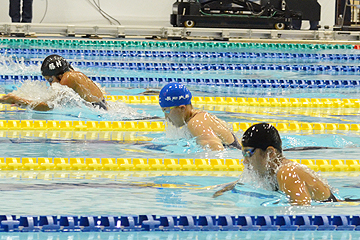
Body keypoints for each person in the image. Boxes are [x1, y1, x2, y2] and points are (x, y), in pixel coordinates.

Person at [0, 54, 107, 111]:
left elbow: (48, 107)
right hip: (99, 110)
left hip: (97, 113)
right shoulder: (74, 75)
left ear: (58, 74)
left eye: (50, 80)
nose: (51, 84)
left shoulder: (68, 78)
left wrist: (16, 100)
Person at [159, 82, 241, 151]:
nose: (166, 117)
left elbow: (217, 152)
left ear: (182, 108)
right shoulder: (200, 117)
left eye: (167, 111)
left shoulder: (196, 123)